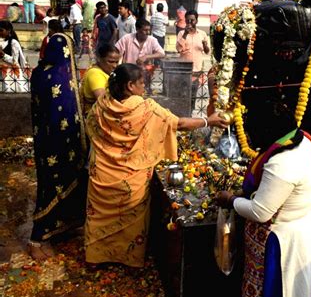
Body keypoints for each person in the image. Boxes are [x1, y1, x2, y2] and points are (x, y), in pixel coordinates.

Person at [215, 94, 311, 297]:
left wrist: (231, 200)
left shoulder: (283, 161)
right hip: (296, 228)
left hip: (280, 242)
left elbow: (261, 211)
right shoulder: (301, 141)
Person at [84, 63, 228, 267]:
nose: (145, 87)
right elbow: (179, 124)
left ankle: (96, 258)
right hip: (131, 178)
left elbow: (91, 129)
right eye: (142, 83)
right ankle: (129, 259)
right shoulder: (145, 108)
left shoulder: (101, 104)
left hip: (102, 174)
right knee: (130, 220)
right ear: (130, 86)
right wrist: (208, 121)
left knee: (99, 217)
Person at [28, 33, 87, 261]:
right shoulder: (54, 76)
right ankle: (37, 238)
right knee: (51, 187)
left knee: (71, 182)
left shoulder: (41, 71)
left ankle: (64, 226)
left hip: (59, 140)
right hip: (55, 143)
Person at [116, 18, 164, 94]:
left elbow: (162, 53)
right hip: (129, 74)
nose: (148, 32)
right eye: (145, 30)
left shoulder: (152, 40)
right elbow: (116, 52)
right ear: (137, 29)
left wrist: (147, 56)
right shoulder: (127, 38)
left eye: (149, 30)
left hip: (145, 76)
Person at [176, 10, 210, 108]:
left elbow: (207, 51)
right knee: (183, 96)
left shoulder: (202, 34)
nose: (190, 23)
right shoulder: (181, 33)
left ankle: (190, 115)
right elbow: (178, 49)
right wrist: (185, 34)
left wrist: (204, 45)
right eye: (188, 21)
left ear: (197, 21)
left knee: (192, 96)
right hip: (184, 71)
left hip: (196, 71)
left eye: (192, 20)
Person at [80, 44, 121, 116]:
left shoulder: (105, 71)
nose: (115, 66)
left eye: (116, 62)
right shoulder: (95, 74)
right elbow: (104, 102)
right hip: (96, 118)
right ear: (99, 59)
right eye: (111, 62)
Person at [0, 20, 28, 92]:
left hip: (11, 74)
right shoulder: (2, 42)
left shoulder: (13, 43)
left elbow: (14, 61)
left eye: (1, 30)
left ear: (8, 31)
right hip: (2, 72)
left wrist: (3, 55)